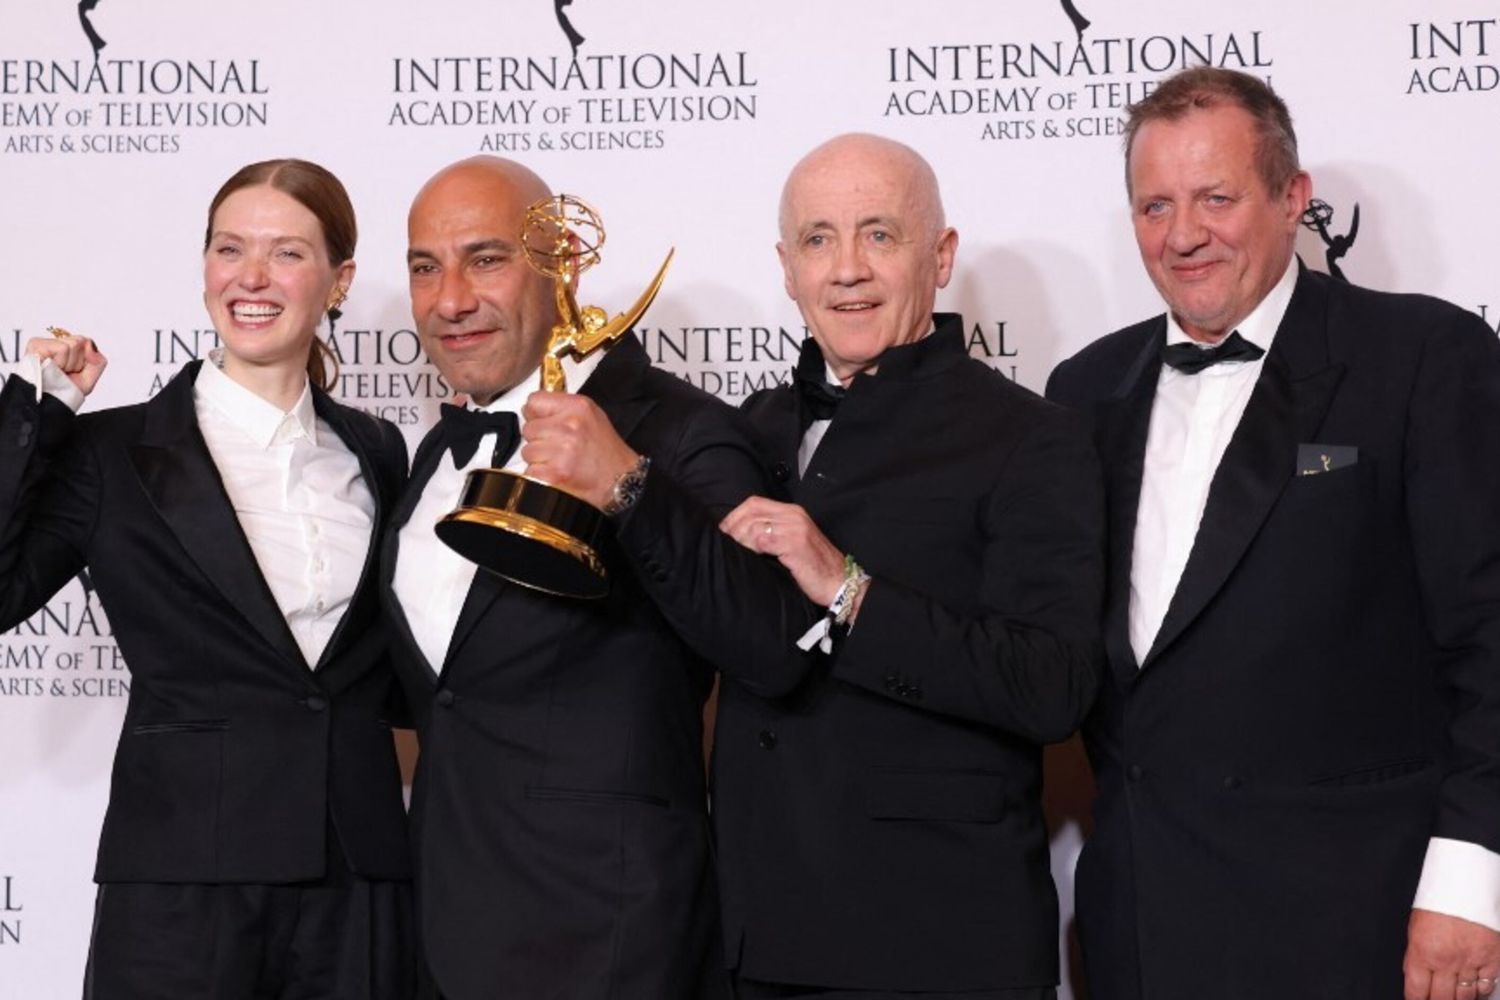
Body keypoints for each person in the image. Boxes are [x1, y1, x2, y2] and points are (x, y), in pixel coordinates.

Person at [1046, 66, 1500, 1000]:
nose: (1183, 235)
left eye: (1216, 198)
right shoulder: (1084, 389)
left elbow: (1490, 638)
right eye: (1155, 206)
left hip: (1360, 920)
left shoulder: (1422, 357)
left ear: (1293, 198)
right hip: (1144, 922)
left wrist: (1468, 885)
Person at [699, 132, 1105, 999]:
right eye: (818, 239)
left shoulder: (1031, 437)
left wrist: (848, 588)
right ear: (787, 268)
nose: (848, 269)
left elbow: (1051, 686)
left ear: (941, 255)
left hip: (937, 942)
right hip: (754, 938)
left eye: (879, 234)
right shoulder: (747, 430)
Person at [0, 159, 414, 998]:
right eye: (230, 249)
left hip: (356, 878)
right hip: (181, 882)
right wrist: (36, 411)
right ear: (204, 268)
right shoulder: (111, 452)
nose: (251, 277)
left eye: (286, 253)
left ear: (339, 280)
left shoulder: (379, 450)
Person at [386, 155, 767, 999]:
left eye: (486, 259)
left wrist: (629, 486)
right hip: (440, 936)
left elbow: (765, 644)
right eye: (424, 267)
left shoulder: (682, 430)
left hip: (614, 944)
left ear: (562, 261)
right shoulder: (433, 452)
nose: (450, 299)